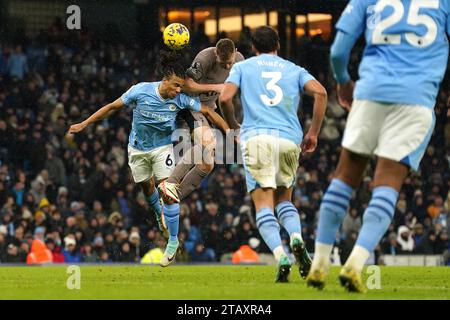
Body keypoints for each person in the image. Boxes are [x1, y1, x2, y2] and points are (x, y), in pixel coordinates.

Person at [307, 0, 450, 293]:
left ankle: (319, 264)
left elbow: (337, 52)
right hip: (416, 99)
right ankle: (356, 264)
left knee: (344, 177)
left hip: (370, 93)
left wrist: (344, 82)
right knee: (387, 183)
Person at [68, 50, 229, 267]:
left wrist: (228, 130)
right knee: (147, 188)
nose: (178, 90)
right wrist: (84, 124)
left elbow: (209, 113)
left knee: (168, 190)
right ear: (165, 80)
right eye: (176, 86)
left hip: (163, 149)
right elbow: (112, 107)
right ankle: (157, 214)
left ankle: (172, 241)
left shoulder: (181, 99)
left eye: (181, 87)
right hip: (137, 150)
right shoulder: (140, 91)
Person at [220, 26, 327, 282]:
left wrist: (233, 126)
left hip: (257, 138)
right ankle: (297, 238)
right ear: (278, 44)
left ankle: (281, 255)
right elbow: (321, 93)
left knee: (263, 204)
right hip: (289, 139)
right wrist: (313, 133)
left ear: (253, 48)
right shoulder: (294, 69)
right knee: (284, 201)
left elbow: (225, 98)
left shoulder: (243, 67)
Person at [158, 38, 244, 203]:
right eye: (223, 62)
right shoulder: (205, 57)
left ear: (236, 53)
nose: (227, 66)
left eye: (230, 63)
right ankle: (170, 184)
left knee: (207, 164)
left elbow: (225, 99)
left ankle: (171, 199)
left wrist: (233, 126)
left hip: (209, 110)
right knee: (207, 144)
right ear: (215, 53)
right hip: (191, 105)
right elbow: (186, 85)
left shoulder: (240, 62)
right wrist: (215, 87)